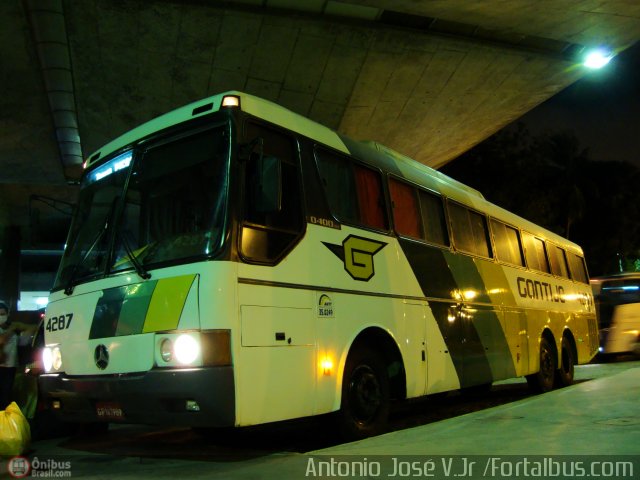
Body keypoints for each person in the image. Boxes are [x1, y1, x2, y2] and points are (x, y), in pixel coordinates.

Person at [0, 301, 37, 410]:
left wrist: (19, 328)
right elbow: (1, 340)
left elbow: (34, 327)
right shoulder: (12, 329)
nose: (1, 317)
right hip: (1, 367)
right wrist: (12, 328)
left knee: (7, 396)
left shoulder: (14, 328)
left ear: (7, 314)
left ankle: (6, 422)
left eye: (2, 314)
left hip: (11, 367)